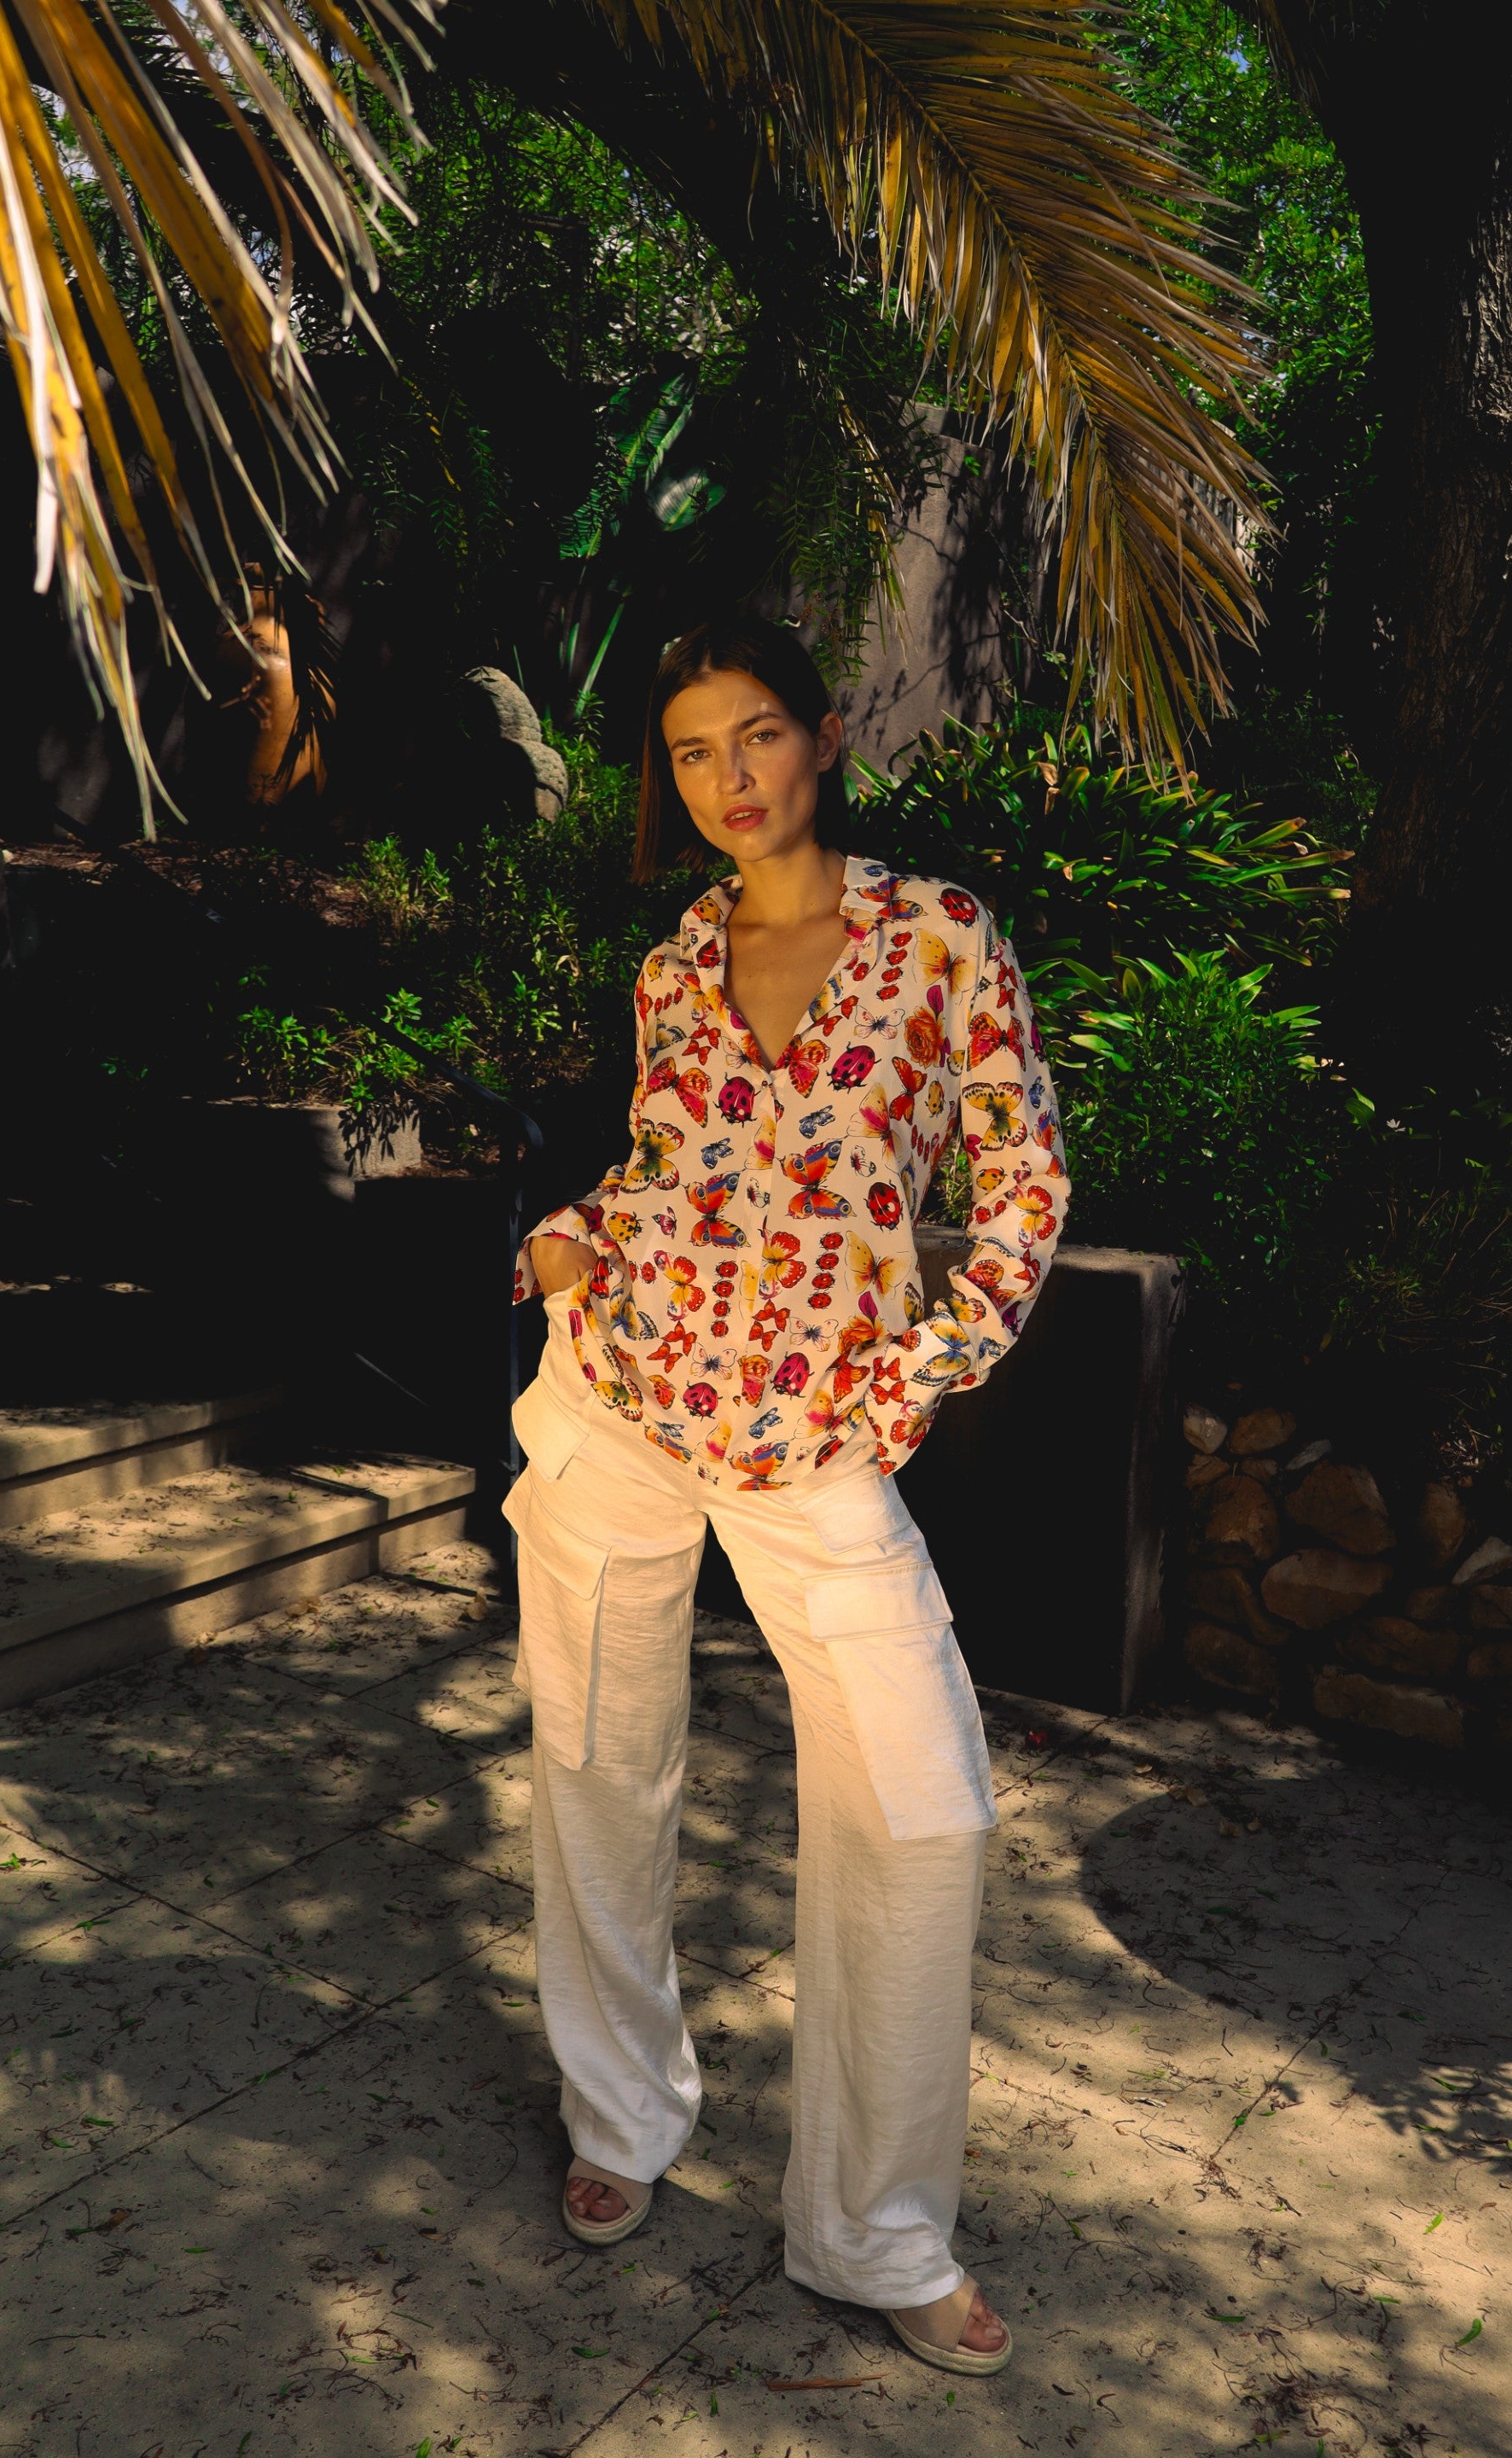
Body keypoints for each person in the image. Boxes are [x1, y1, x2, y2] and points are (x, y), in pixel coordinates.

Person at [506, 611, 1069, 2378]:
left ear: (822, 736)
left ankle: (871, 2226)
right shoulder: (677, 958)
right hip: (624, 1394)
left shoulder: (939, 940)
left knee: (922, 1809)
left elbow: (1024, 1174)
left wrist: (920, 1369)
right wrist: (574, 1236)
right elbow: (667, 1164)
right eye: (688, 752)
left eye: (752, 737)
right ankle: (624, 2115)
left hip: (817, 1440)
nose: (726, 781)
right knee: (600, 1760)